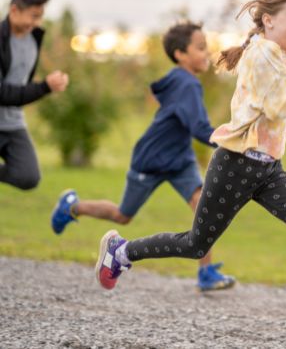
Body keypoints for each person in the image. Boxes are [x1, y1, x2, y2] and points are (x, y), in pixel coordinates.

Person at [93, 0, 286, 349]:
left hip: (268, 169)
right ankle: (120, 253)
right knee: (195, 243)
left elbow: (283, 116)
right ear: (268, 20)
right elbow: (280, 105)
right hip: (235, 164)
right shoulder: (260, 55)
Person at [50, 21, 235, 291]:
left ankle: (206, 272)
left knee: (201, 206)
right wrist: (232, 142)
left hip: (179, 160)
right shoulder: (187, 84)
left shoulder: (184, 81)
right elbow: (199, 129)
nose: (206, 53)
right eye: (200, 47)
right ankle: (72, 206)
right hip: (152, 160)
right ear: (180, 54)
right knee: (122, 215)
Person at [1, 0, 68, 190]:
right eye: (34, 15)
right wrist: (45, 87)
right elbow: (2, 92)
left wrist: (51, 84)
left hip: (13, 123)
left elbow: (22, 82)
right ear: (14, 10)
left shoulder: (34, 40)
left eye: (40, 16)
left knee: (28, 177)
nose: (37, 22)